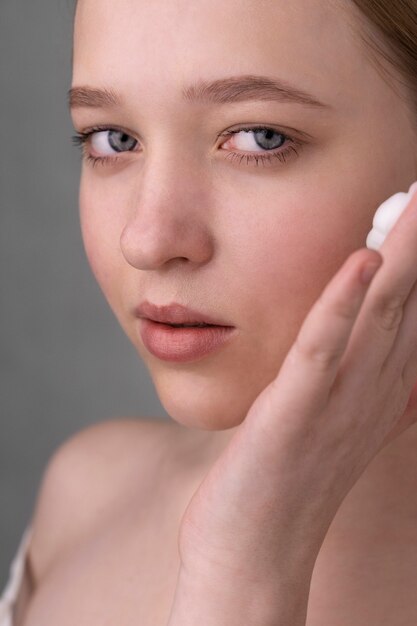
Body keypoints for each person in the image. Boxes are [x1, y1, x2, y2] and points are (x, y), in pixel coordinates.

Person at [2, 0, 417, 624]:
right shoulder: (86, 493)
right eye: (113, 139)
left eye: (259, 137)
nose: (146, 240)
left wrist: (246, 571)